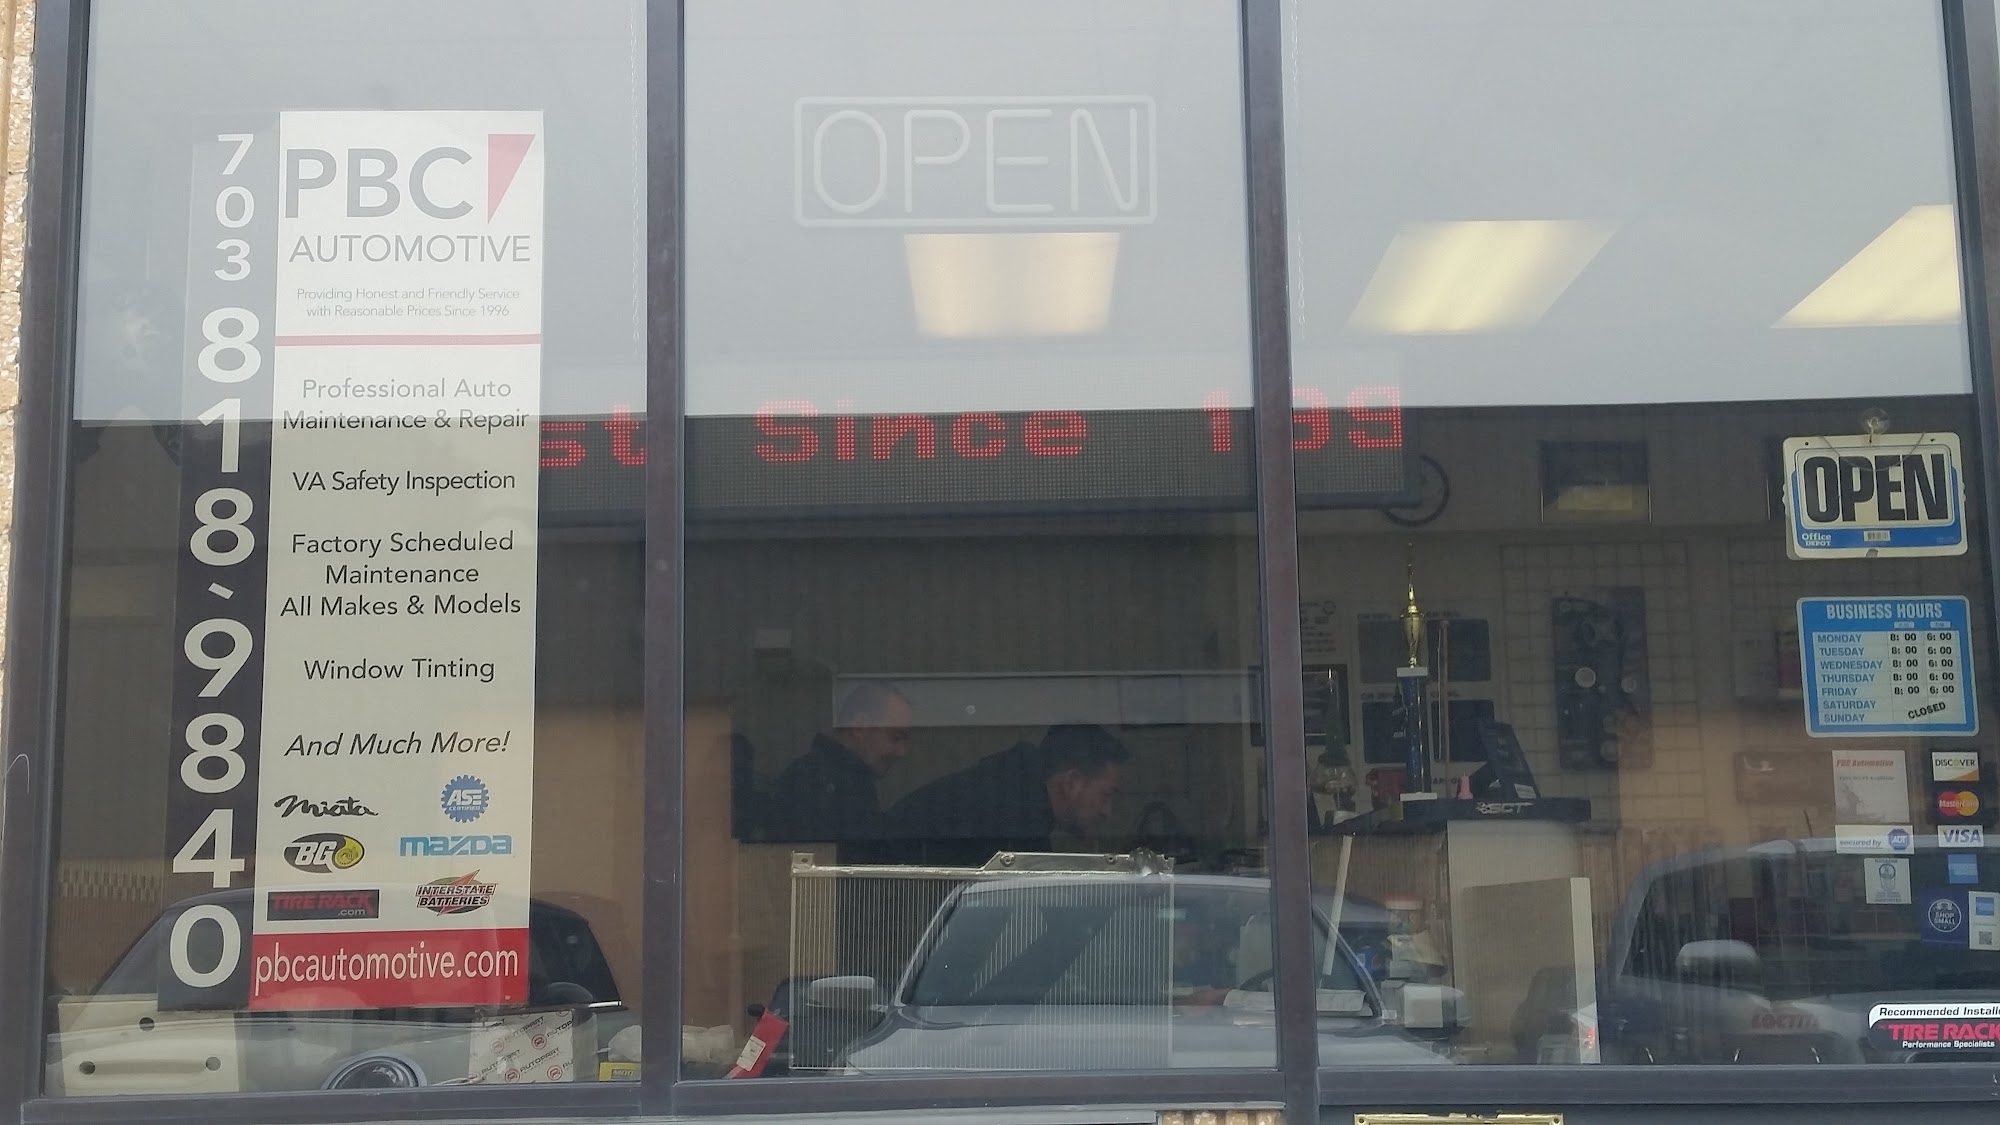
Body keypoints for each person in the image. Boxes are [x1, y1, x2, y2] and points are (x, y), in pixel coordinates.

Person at [890, 722, 1129, 867]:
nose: (1107, 811)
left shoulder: (1010, 791)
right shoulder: (1016, 817)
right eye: (1106, 794)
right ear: (1071, 782)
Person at [765, 682, 913, 849]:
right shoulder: (819, 782)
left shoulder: (840, 778)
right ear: (860, 726)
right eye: (896, 737)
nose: (902, 752)